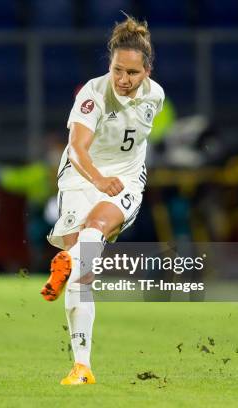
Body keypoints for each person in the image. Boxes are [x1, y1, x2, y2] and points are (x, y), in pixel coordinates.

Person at [40, 15, 165, 385]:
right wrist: (97, 179)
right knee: (84, 275)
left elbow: (133, 144)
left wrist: (114, 181)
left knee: (94, 232)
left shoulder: (155, 97)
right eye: (117, 70)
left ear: (147, 71)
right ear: (108, 66)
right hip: (81, 177)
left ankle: (66, 260)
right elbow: (76, 148)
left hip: (124, 180)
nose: (123, 80)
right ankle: (82, 366)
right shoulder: (92, 95)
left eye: (132, 73)